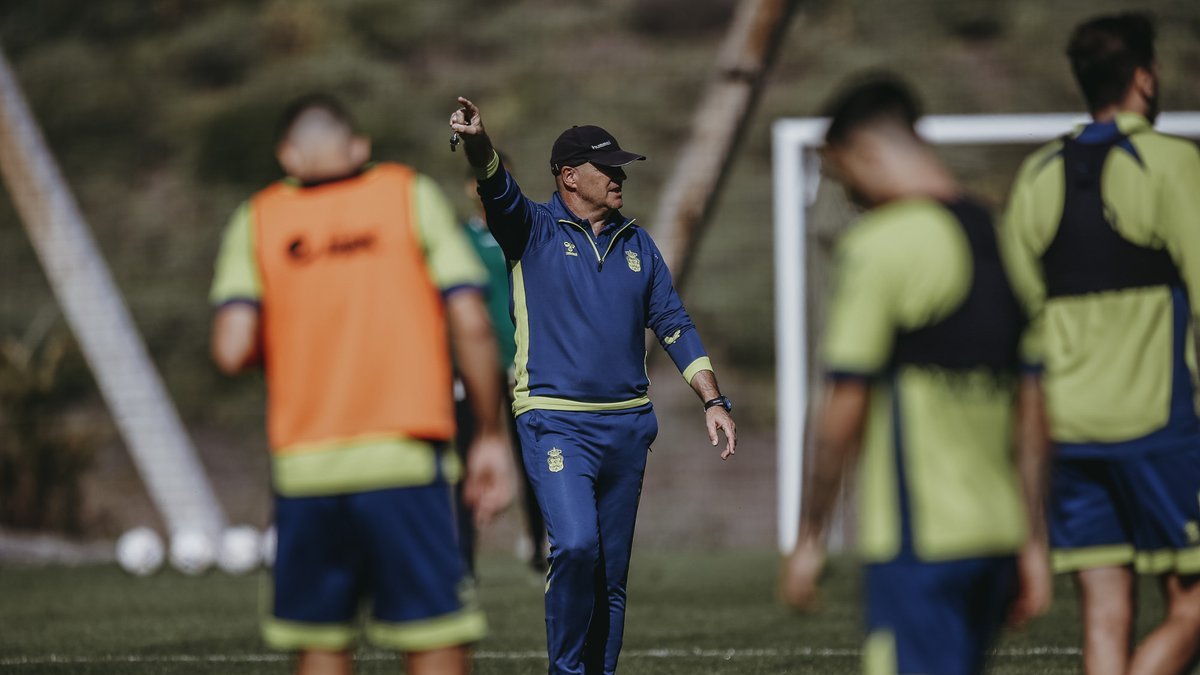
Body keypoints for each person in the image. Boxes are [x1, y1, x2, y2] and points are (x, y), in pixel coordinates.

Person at [209, 93, 515, 675]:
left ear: (287, 156)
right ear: (358, 148)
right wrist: (489, 434)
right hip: (407, 463)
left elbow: (230, 348)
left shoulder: (258, 218)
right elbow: (472, 323)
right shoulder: (409, 195)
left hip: (305, 469)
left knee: (322, 645)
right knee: (435, 638)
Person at [448, 96, 737, 675]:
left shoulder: (639, 243)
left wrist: (713, 399)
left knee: (611, 575)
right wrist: (480, 142)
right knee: (577, 546)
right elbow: (495, 185)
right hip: (555, 421)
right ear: (569, 176)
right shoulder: (529, 228)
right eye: (608, 168)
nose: (619, 177)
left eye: (621, 168)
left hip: (628, 425)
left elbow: (674, 323)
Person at [778, 75, 1051, 675]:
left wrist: (812, 535)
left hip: (920, 540)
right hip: (997, 535)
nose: (849, 193)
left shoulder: (883, 245)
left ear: (866, 153)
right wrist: (1034, 539)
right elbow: (1033, 408)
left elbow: (844, 405)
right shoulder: (1007, 238)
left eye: (843, 175)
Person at [1002, 13, 1200, 675]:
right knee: (1192, 604)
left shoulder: (1036, 175)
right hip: (1158, 422)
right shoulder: (1173, 163)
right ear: (1145, 77)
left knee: (1104, 614)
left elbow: (1018, 319)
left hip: (1067, 429)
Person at [454, 153, 549, 575]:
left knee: (533, 459)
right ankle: (463, 559)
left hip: (519, 364)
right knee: (466, 459)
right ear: (470, 187)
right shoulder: (458, 239)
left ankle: (540, 546)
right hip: (474, 368)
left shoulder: (525, 231)